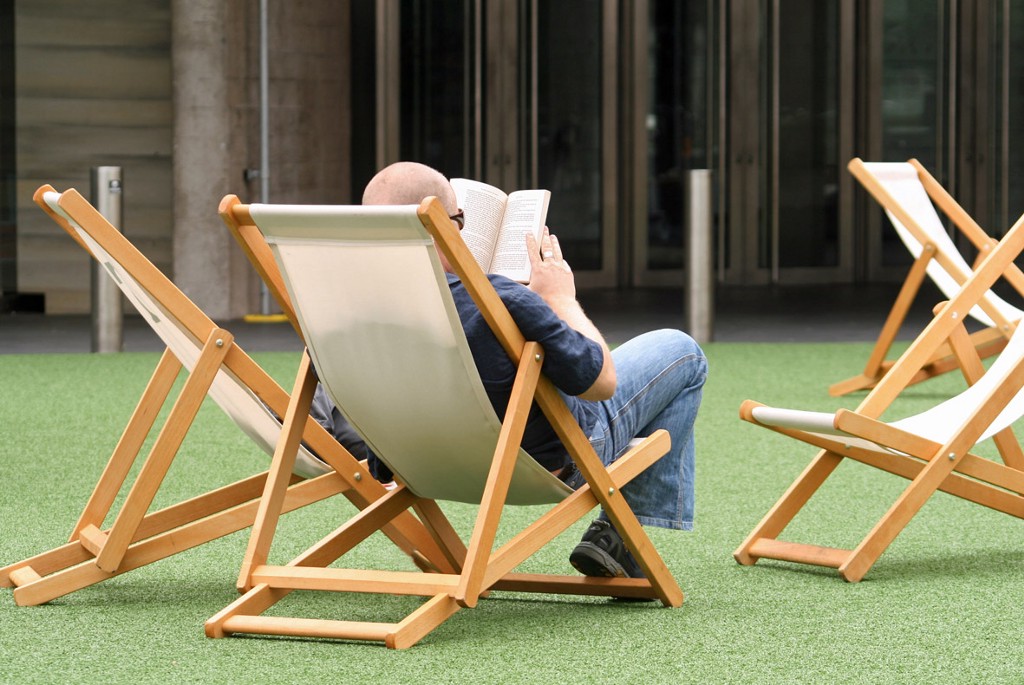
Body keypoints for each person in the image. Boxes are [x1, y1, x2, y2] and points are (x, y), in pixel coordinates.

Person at [317, 161, 707, 581]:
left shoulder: (339, 309)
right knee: (682, 352)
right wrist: (558, 298)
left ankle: (620, 536)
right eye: (458, 219)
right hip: (540, 464)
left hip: (416, 464)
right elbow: (601, 383)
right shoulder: (499, 298)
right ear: (445, 225)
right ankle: (621, 535)